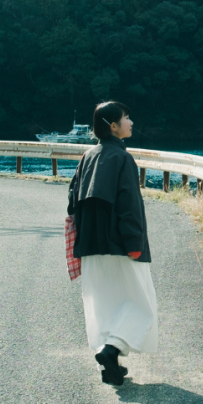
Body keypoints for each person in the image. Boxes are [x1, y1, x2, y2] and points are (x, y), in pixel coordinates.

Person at [66, 100, 156, 385]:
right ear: (113, 126)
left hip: (90, 245)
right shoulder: (122, 158)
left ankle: (111, 366)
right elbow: (128, 205)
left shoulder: (87, 156)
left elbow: (71, 202)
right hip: (119, 245)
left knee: (105, 305)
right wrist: (134, 243)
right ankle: (111, 350)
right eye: (126, 118)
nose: (130, 122)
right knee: (141, 304)